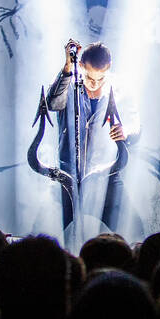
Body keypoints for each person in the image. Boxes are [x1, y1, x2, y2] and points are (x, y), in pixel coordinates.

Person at [47, 39, 130, 232]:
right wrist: (67, 68)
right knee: (69, 234)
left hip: (107, 173)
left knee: (120, 232)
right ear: (81, 67)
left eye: (101, 78)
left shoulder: (118, 90)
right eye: (90, 78)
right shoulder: (68, 84)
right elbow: (52, 104)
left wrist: (126, 132)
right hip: (69, 176)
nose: (95, 83)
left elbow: (135, 124)